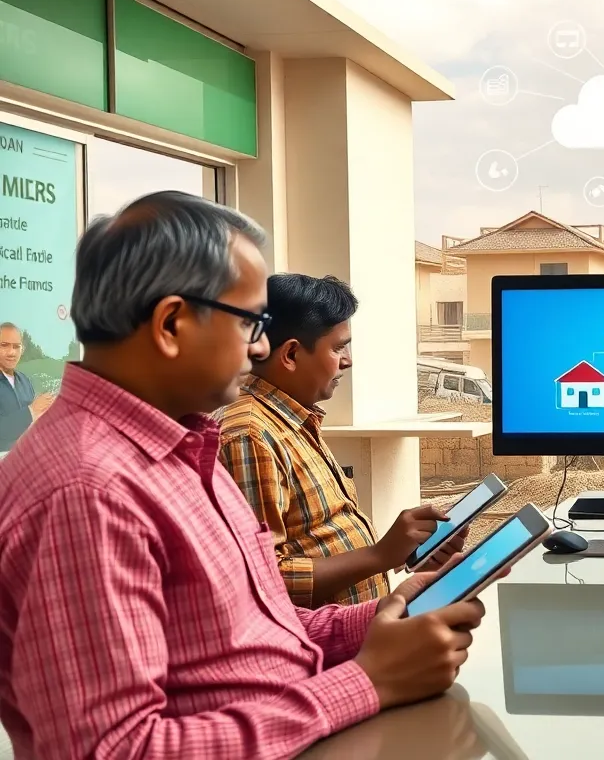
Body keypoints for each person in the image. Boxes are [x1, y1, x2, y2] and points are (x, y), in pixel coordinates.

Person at [0, 192, 488, 759]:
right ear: (172, 323)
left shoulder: (182, 448)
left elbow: (254, 633)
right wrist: (369, 682)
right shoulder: (89, 492)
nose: (260, 347)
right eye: (251, 322)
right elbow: (114, 751)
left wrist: (377, 619)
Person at [217, 272, 464, 608]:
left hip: (356, 631)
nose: (348, 360)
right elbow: (262, 582)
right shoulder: (250, 437)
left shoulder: (294, 421)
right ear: (291, 354)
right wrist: (380, 555)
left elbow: (318, 538)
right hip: (316, 641)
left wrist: (407, 551)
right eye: (337, 347)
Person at [0, 322, 53, 452]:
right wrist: (31, 411)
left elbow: (34, 421)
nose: (11, 352)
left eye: (16, 346)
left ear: (22, 349)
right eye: (4, 345)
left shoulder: (24, 380)